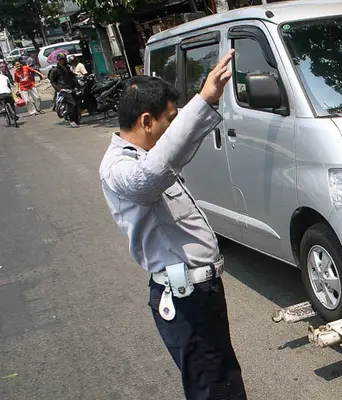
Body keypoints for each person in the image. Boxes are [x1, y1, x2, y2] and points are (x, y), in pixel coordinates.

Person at [98, 49, 247, 400]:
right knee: (213, 388)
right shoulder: (119, 168)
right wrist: (204, 101)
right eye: (170, 119)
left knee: (223, 378)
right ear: (147, 122)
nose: (173, 125)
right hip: (184, 298)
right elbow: (148, 180)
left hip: (200, 293)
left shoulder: (145, 157)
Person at [50, 53, 81, 127]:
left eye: (63, 59)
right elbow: (52, 81)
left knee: (77, 103)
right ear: (58, 60)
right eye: (60, 59)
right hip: (62, 89)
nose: (62, 61)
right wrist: (59, 89)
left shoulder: (67, 68)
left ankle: (76, 120)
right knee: (73, 104)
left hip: (70, 88)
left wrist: (77, 85)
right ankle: (72, 120)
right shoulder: (55, 70)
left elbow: (73, 77)